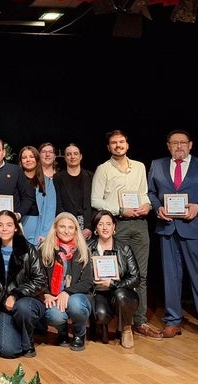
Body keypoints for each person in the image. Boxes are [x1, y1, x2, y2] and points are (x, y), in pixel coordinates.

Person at [91, 129, 162, 339]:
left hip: (139, 224)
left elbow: (144, 194)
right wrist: (119, 210)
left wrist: (148, 206)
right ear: (108, 147)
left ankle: (139, 321)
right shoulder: (103, 169)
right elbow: (96, 200)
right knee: (116, 273)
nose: (118, 145)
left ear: (127, 145)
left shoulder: (139, 167)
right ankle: (120, 323)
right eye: (113, 143)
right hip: (118, 225)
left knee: (141, 275)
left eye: (121, 142)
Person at [148, 129, 198, 338]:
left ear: (190, 145)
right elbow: (150, 192)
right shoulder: (157, 165)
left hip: (193, 227)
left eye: (183, 142)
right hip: (168, 228)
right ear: (168, 146)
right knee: (171, 276)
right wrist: (158, 207)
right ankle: (173, 320)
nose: (179, 146)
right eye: (174, 143)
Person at [0, 210, 46, 359]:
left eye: (9, 225)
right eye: (0, 225)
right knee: (7, 351)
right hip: (3, 305)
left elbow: (40, 279)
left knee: (23, 308)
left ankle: (28, 341)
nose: (4, 229)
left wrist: (15, 294)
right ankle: (16, 331)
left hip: (28, 300)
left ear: (16, 227)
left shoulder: (28, 249)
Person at [40, 212, 92, 351]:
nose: (66, 231)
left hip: (78, 296)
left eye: (70, 227)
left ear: (76, 230)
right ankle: (62, 333)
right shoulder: (45, 250)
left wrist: (67, 292)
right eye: (62, 226)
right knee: (55, 315)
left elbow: (87, 282)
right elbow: (38, 277)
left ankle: (79, 334)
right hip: (53, 295)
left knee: (75, 304)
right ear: (55, 228)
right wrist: (46, 293)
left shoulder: (83, 251)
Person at [87, 210, 140, 348]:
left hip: (122, 293)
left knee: (120, 294)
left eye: (109, 224)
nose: (105, 228)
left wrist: (113, 283)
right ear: (95, 228)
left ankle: (126, 329)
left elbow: (136, 278)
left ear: (114, 227)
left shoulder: (124, 248)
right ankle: (99, 324)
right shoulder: (87, 248)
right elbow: (81, 275)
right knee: (101, 315)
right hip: (98, 292)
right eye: (101, 224)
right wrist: (93, 281)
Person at [53, 143, 94, 240]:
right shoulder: (58, 178)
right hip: (67, 226)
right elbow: (58, 205)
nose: (72, 157)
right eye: (68, 154)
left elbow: (94, 204)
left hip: (89, 226)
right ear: (65, 158)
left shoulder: (90, 176)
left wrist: (89, 227)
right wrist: (68, 226)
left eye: (75, 154)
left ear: (80, 157)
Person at [19, 146, 57, 246]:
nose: (28, 160)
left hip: (38, 225)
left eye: (31, 156)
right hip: (19, 223)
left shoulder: (47, 182)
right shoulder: (15, 180)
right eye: (24, 157)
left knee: (36, 259)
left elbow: (50, 209)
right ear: (20, 161)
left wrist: (45, 233)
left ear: (37, 159)